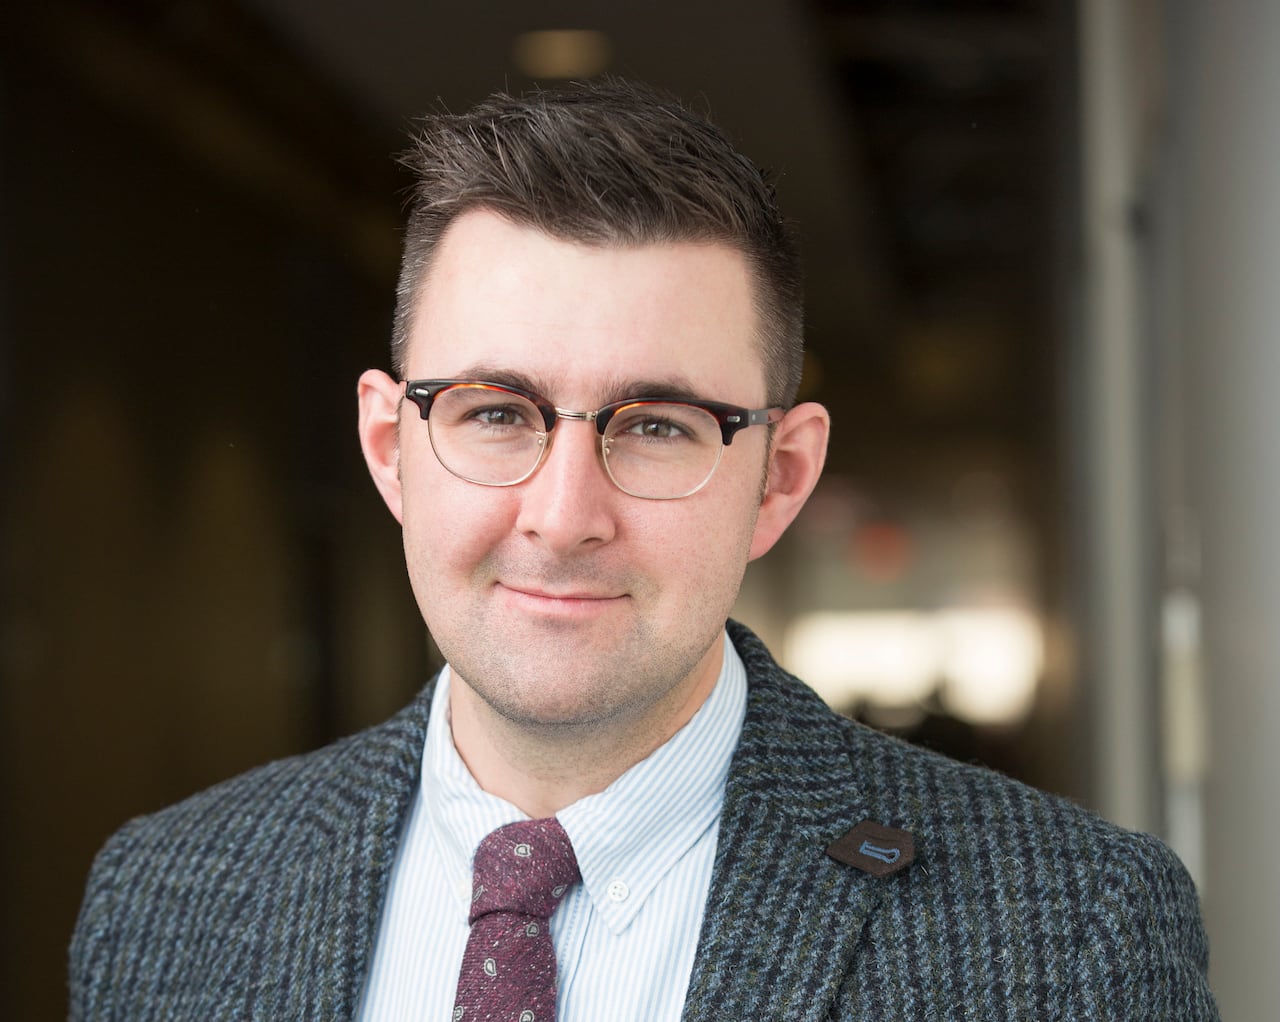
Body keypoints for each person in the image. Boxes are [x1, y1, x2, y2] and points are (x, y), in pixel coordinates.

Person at [69, 78, 1218, 1021]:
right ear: (388, 448)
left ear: (779, 477)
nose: (563, 513)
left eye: (658, 425)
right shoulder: (165, 897)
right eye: (494, 412)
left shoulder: (1074, 930)